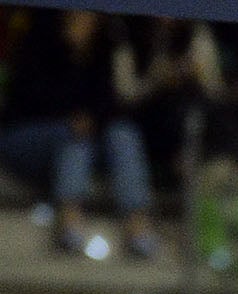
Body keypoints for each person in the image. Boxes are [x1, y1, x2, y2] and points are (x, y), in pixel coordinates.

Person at [0, 10, 155, 258]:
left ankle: (137, 223)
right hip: (26, 135)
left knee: (123, 134)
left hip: (80, 141)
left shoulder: (105, 48)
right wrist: (68, 52)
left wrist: (90, 118)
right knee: (74, 138)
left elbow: (112, 105)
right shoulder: (39, 41)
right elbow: (27, 101)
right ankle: (69, 218)